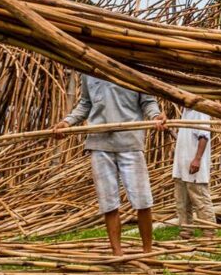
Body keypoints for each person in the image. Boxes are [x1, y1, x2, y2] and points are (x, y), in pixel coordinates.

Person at [54, 75, 167, 254]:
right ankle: (117, 253)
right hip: (99, 143)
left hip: (130, 142)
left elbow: (148, 101)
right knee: (109, 202)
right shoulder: (88, 72)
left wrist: (156, 115)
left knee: (143, 199)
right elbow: (85, 103)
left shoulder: (130, 70)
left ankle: (148, 251)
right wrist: (67, 122)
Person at [172, 108, 215, 239]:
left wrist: (197, 159)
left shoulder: (200, 110)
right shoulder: (186, 111)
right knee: (182, 202)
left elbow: (204, 136)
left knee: (200, 200)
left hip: (193, 165)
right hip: (182, 165)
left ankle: (209, 234)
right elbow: (188, 137)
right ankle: (185, 232)